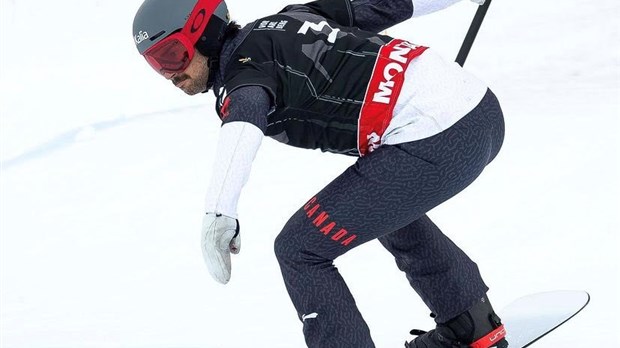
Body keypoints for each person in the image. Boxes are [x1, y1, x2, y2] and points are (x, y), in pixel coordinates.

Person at [132, 0, 508, 347]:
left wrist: (219, 213)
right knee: (382, 210)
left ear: (207, 31)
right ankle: (472, 326)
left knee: (299, 248)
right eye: (156, 64)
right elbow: (391, 3)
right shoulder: (295, 16)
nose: (170, 74)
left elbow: (243, 122)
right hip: (482, 112)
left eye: (173, 55)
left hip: (438, 137)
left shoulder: (244, 73)